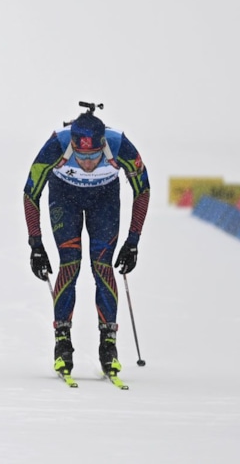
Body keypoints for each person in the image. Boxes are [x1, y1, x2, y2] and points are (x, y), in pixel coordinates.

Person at [22, 104, 149, 379]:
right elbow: (30, 192)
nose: (88, 164)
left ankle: (108, 345)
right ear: (73, 147)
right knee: (71, 262)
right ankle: (62, 342)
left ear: (103, 145)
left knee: (102, 265)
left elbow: (143, 189)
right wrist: (36, 244)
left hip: (104, 199)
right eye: (81, 156)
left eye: (93, 156)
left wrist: (133, 241)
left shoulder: (119, 145)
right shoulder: (57, 145)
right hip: (64, 196)